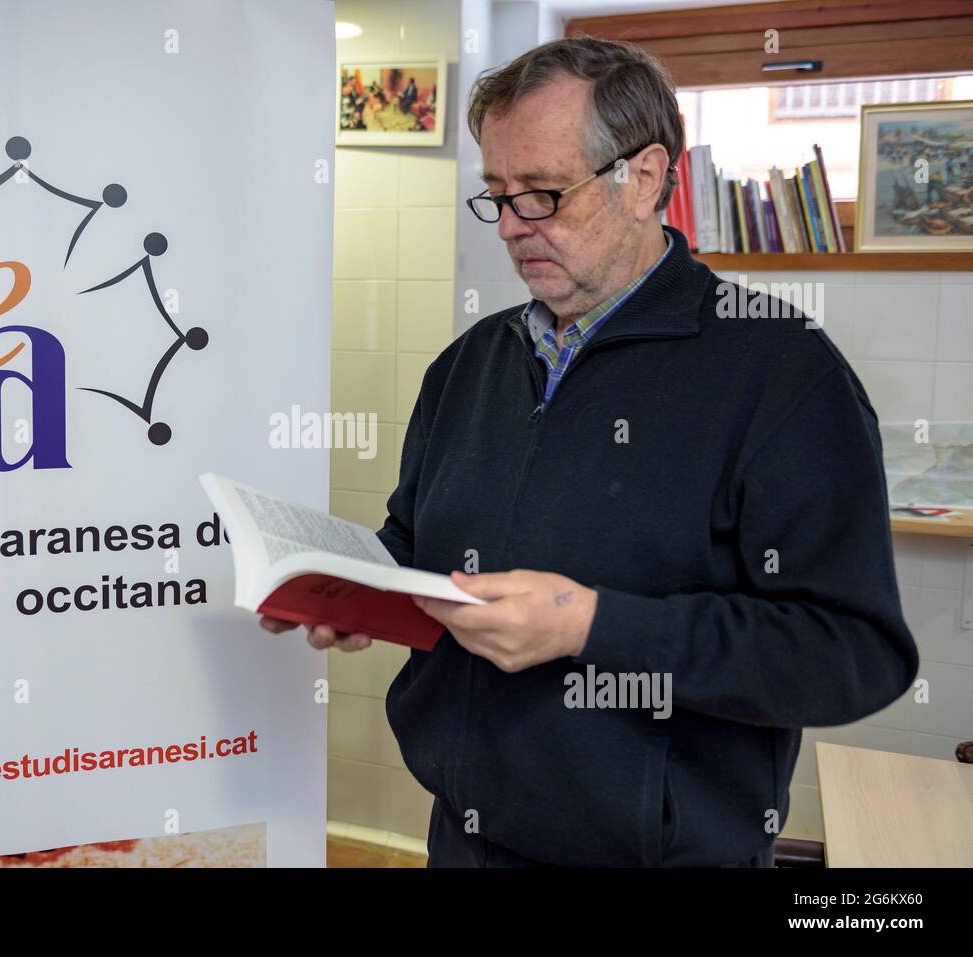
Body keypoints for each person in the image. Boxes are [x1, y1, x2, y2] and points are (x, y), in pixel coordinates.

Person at [261, 36, 918, 867]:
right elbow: (417, 544)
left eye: (542, 193)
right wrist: (355, 587)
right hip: (462, 840)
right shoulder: (468, 365)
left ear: (643, 179)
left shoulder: (780, 373)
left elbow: (853, 654)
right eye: (496, 194)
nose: (509, 226)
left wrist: (595, 625)